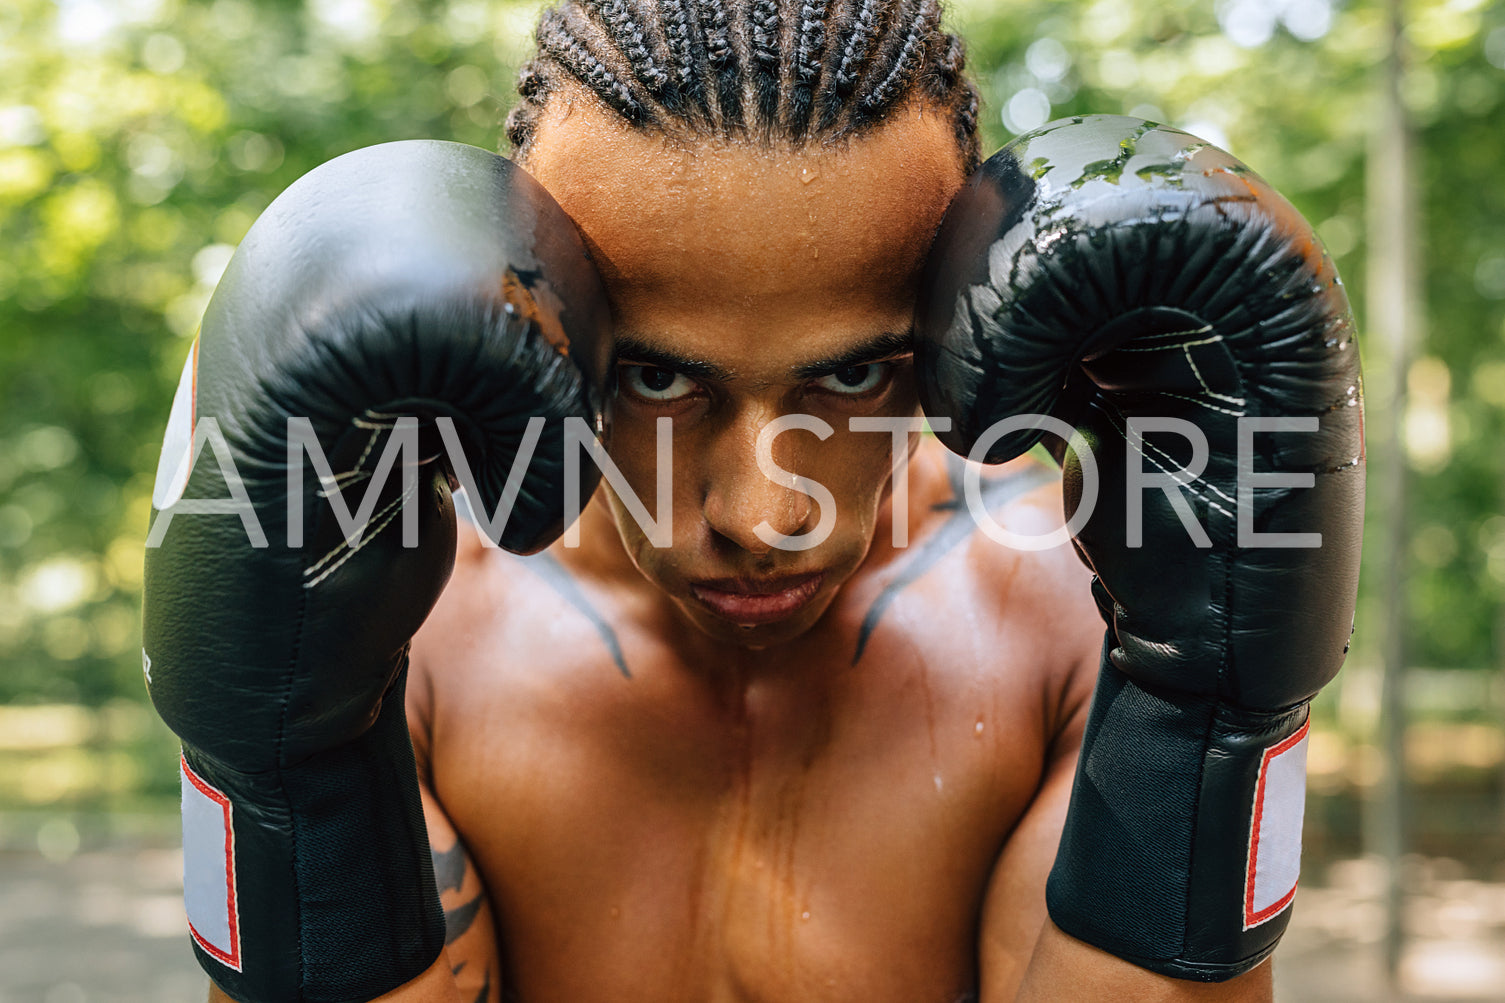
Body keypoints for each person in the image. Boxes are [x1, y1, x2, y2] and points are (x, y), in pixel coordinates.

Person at [141, 2, 1365, 1002]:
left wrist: (1201, 714)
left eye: (851, 372)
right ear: (547, 311)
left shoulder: (1061, 621)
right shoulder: (416, 644)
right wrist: (283, 771)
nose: (762, 512)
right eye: (658, 377)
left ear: (949, 322)